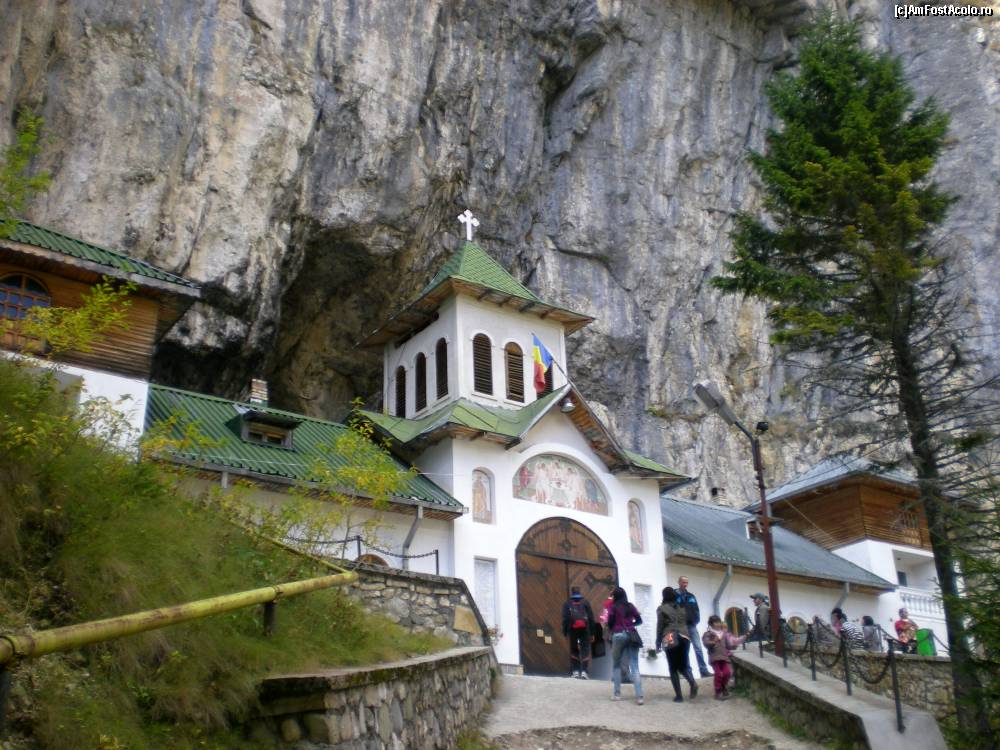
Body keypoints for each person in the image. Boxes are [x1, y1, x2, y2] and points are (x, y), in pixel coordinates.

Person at [656, 586, 698, 703]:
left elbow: (660, 626)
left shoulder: (661, 609)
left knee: (673, 667)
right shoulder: (681, 607)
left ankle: (679, 696)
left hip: (670, 636)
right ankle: (692, 682)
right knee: (683, 665)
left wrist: (658, 642)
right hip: (685, 636)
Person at [606, 586, 644, 704]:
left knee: (616, 664)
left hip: (618, 635)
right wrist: (631, 625)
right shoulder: (630, 606)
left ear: (615, 596)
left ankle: (617, 694)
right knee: (635, 666)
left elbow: (610, 622)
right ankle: (639, 697)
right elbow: (639, 620)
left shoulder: (613, 607)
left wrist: (613, 628)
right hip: (632, 634)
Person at [702, 614, 746, 699]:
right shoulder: (708, 634)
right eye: (715, 622)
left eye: (719, 622)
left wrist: (733, 646)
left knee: (727, 673)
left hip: (724, 657)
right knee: (718, 674)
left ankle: (723, 687)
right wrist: (713, 641)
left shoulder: (724, 634)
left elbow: (728, 645)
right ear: (711, 624)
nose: (718, 624)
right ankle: (718, 691)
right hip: (714, 657)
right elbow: (706, 643)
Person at [676, 576, 713, 677]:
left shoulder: (691, 596)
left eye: (686, 582)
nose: (685, 584)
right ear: (679, 582)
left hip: (692, 626)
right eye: (683, 582)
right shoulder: (674, 595)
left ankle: (703, 670)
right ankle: (688, 672)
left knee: (698, 648)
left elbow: (696, 609)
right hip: (681, 627)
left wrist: (696, 620)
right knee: (685, 650)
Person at [561, 587, 595, 679]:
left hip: (572, 629)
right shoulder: (585, 603)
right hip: (585, 629)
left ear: (572, 593)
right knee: (585, 649)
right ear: (579, 592)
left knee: (574, 649)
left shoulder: (567, 603)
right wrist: (592, 633)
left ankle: (575, 672)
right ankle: (584, 672)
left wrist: (565, 632)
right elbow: (591, 618)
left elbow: (565, 619)